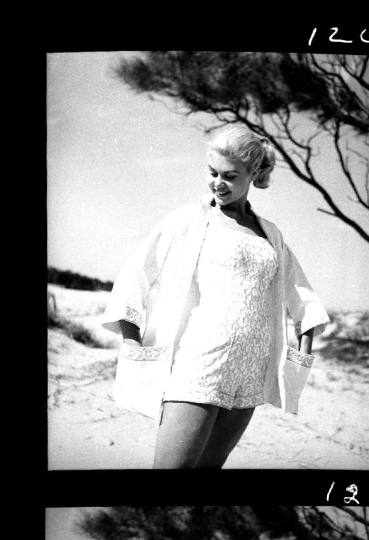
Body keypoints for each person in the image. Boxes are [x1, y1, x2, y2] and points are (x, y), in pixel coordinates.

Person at [101, 124, 330, 468]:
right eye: (212, 173)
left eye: (230, 176)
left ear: (253, 173)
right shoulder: (191, 220)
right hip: (197, 365)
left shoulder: (271, 233)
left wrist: (306, 344)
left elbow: (300, 293)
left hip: (250, 370)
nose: (217, 183)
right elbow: (135, 274)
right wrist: (131, 340)